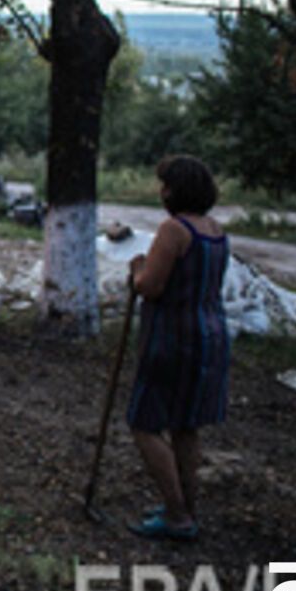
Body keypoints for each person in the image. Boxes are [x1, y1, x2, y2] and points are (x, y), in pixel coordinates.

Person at [126, 155, 231, 540]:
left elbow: (151, 286)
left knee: (144, 424)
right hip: (211, 336)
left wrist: (137, 270)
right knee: (185, 426)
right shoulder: (215, 230)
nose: (161, 192)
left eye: (164, 185)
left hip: (173, 340)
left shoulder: (174, 230)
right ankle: (187, 506)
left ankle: (176, 514)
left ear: (176, 189)